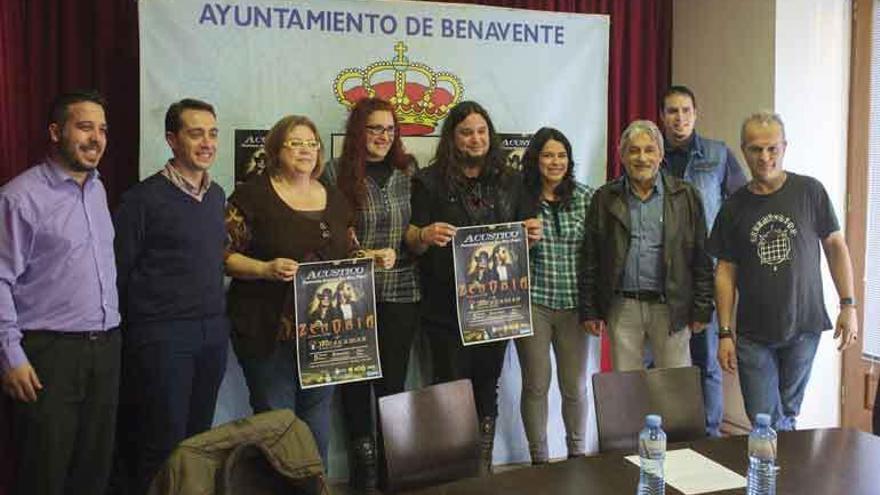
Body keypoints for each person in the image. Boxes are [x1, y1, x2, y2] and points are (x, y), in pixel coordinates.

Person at [405, 100, 542, 475]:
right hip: (444, 307)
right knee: (449, 388)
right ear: (452, 137)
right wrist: (424, 233)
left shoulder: (512, 182)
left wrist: (531, 235)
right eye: (466, 132)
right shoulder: (428, 181)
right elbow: (411, 240)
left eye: (482, 131)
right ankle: (449, 471)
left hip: (496, 307)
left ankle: (482, 470)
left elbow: (524, 235)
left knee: (486, 386)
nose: (475, 138)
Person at [225, 114, 365, 463]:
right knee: (277, 423)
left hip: (324, 333)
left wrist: (372, 257)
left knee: (317, 420)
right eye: (295, 143)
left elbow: (350, 250)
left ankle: (314, 486)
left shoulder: (334, 198)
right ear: (275, 148)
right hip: (267, 329)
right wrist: (263, 269)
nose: (306, 150)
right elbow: (222, 255)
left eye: (312, 143)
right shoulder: (250, 195)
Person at [0, 90, 121, 495]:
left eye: (102, 129)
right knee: (45, 473)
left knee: (93, 469)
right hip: (49, 355)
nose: (96, 138)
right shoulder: (19, 197)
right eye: (84, 126)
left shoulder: (99, 189)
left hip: (104, 349)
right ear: (56, 132)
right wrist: (11, 356)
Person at [709, 111, 858, 431]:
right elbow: (725, 271)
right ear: (744, 150)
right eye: (755, 149)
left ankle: (778, 476)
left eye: (772, 148)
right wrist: (724, 332)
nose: (765, 157)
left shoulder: (810, 192)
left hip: (804, 326)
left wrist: (849, 305)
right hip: (753, 333)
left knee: (788, 414)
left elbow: (835, 246)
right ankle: (774, 474)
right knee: (764, 419)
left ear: (784, 147)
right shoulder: (734, 207)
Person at [113, 98, 229, 494]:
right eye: (196, 133)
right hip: (162, 336)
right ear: (171, 140)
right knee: (161, 443)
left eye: (212, 133)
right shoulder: (142, 200)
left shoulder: (217, 196)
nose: (207, 142)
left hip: (212, 331)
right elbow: (120, 274)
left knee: (199, 441)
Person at [322, 97, 416, 490]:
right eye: (374, 129)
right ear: (358, 132)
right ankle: (364, 474)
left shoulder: (408, 172)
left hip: (401, 290)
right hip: (351, 296)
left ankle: (393, 471)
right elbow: (323, 234)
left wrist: (404, 247)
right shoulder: (332, 172)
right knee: (354, 383)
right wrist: (353, 249)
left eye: (389, 129)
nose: (382, 136)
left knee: (392, 383)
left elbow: (420, 228)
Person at [581, 120, 714, 371]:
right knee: (628, 391)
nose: (642, 157)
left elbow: (701, 254)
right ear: (621, 156)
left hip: (672, 306)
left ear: (661, 155)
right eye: (633, 150)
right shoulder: (604, 198)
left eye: (649, 150)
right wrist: (590, 309)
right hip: (623, 308)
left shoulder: (686, 196)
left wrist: (703, 307)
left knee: (674, 389)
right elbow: (591, 256)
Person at [659, 85, 748, 437]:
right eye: (671, 111)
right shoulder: (652, 154)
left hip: (706, 274)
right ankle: (662, 433)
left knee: (706, 361)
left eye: (685, 111)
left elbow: (741, 205)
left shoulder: (718, 154)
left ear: (696, 114)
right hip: (659, 274)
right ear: (662, 116)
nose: (679, 118)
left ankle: (711, 436)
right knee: (659, 362)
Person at [515, 127, 595, 464]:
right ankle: (539, 460)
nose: (555, 162)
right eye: (548, 155)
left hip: (575, 306)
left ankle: (577, 452)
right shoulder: (518, 199)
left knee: (574, 386)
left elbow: (597, 255)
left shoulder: (587, 197)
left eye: (561, 155)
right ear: (535, 160)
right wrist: (520, 240)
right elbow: (498, 255)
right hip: (534, 303)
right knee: (536, 384)